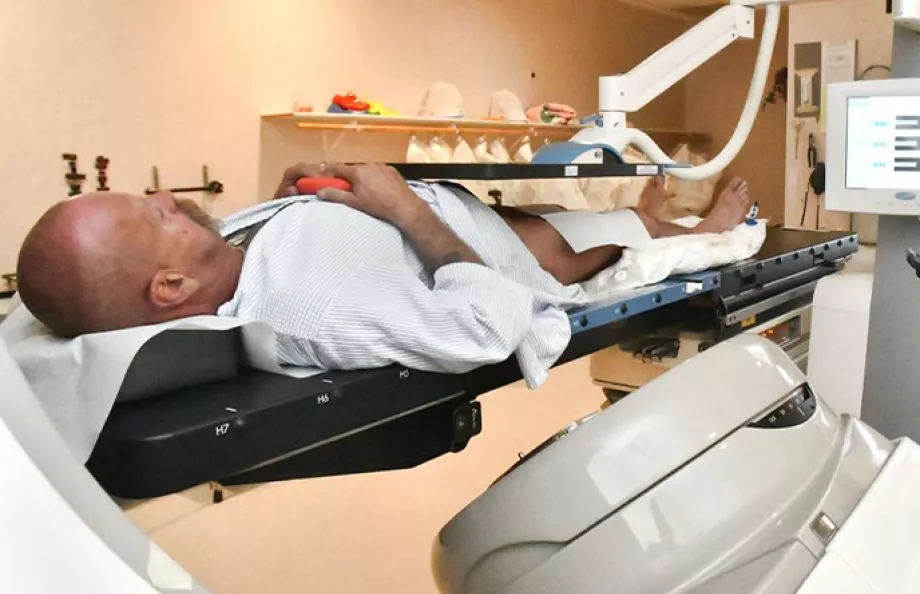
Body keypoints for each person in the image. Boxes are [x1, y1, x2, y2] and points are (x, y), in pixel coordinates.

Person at [15, 163, 751, 386]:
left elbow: (292, 240)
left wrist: (290, 193)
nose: (167, 195)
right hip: (508, 259)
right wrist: (404, 208)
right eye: (157, 219)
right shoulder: (312, 309)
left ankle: (647, 214)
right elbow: (488, 324)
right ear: (169, 290)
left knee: (565, 204)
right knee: (592, 243)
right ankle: (693, 232)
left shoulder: (226, 262)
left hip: (456, 213)